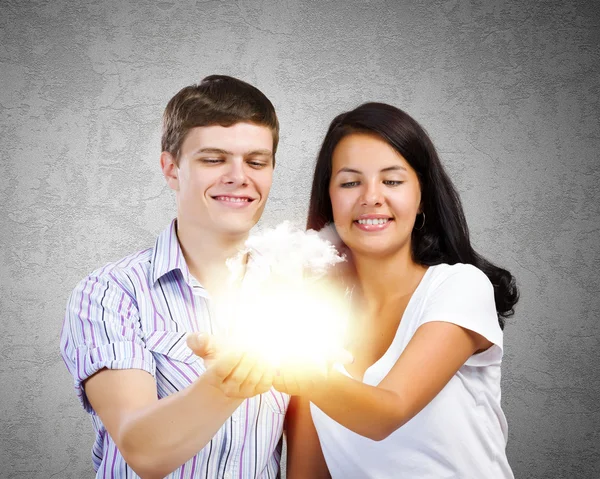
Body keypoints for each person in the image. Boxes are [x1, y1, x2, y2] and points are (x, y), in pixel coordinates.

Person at [60, 75, 289, 479]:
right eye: (214, 159)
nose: (239, 176)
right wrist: (224, 385)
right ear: (171, 168)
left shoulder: (295, 290)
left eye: (256, 161)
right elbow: (143, 451)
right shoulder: (109, 293)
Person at [280, 102, 519, 478]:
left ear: (421, 195)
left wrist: (288, 369)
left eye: (392, 181)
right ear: (329, 199)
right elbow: (307, 473)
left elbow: (387, 412)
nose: (371, 197)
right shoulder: (311, 320)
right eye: (349, 182)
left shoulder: (458, 286)